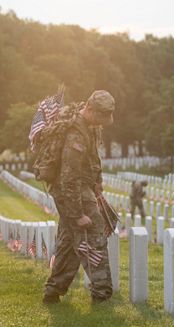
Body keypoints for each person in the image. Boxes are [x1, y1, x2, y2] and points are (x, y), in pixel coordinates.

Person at [43, 90, 115, 305]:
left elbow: (94, 157)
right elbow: (69, 177)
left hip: (82, 188)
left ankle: (53, 291)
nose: (103, 122)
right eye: (101, 117)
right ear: (90, 110)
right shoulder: (75, 134)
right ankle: (102, 294)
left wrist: (98, 182)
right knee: (94, 237)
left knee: (68, 243)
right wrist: (77, 214)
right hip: (72, 192)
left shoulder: (90, 127)